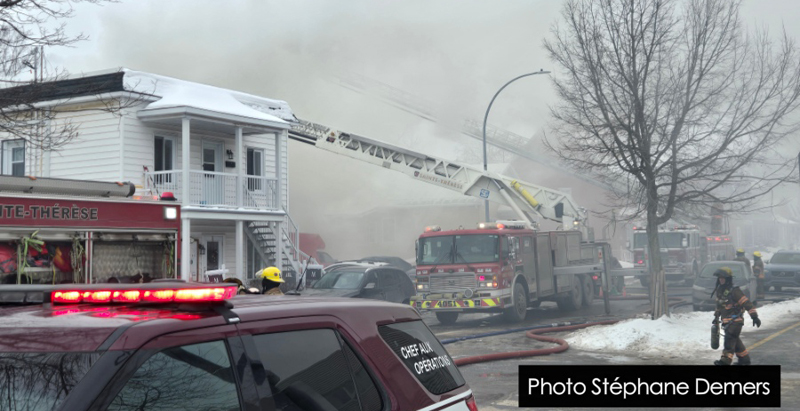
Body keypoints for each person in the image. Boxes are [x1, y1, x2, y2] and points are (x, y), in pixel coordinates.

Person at [711, 267, 761, 366]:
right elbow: (719, 306)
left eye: (723, 278)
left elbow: (746, 303)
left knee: (729, 340)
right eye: (719, 278)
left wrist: (754, 316)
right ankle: (744, 360)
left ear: (728, 279)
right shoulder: (720, 290)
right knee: (736, 341)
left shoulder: (735, 291)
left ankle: (725, 361)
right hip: (727, 322)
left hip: (735, 321)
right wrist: (716, 317)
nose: (721, 280)